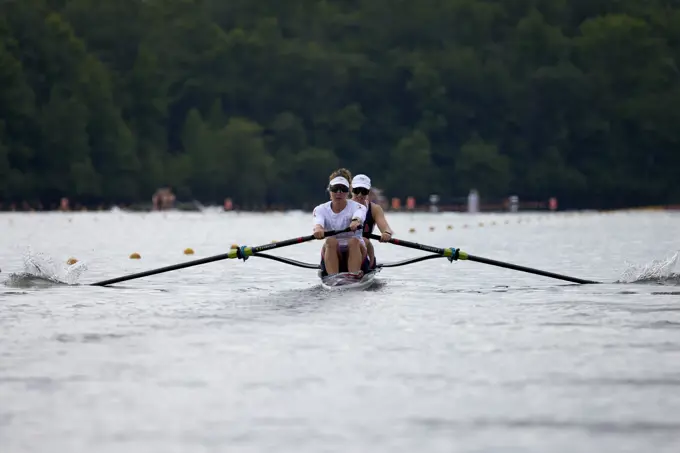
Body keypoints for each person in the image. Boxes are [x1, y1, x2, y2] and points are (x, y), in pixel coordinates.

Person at [313, 169, 371, 277]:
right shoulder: (320, 209)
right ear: (330, 191)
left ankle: (353, 275)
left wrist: (355, 221)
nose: (339, 193)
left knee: (353, 241)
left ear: (348, 192)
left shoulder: (358, 207)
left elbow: (359, 215)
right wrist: (318, 229)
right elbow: (318, 223)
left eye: (343, 189)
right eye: (335, 189)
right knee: (330, 241)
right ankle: (333, 278)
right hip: (332, 252)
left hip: (357, 251)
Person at [350, 174, 394, 269]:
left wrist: (386, 233)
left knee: (363, 240)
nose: (360, 195)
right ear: (351, 189)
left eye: (364, 191)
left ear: (368, 192)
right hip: (343, 248)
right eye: (357, 190)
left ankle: (362, 268)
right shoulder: (342, 206)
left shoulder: (374, 209)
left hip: (364, 249)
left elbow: (386, 228)